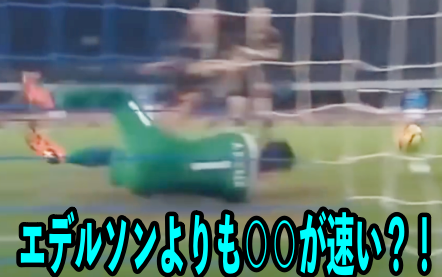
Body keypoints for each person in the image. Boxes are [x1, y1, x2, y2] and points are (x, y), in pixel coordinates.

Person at [22, 76, 295, 202]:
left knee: (121, 99)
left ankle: (51, 99)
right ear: (273, 172)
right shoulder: (242, 193)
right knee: (117, 157)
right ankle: (60, 156)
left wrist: (184, 111)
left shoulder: (241, 138)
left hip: (159, 148)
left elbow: (204, 141)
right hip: (148, 183)